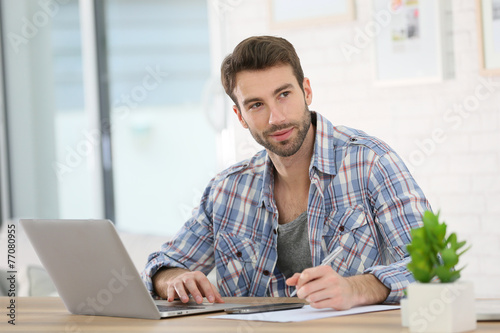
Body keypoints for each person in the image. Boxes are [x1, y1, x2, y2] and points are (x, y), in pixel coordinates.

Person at [141, 35, 431, 310]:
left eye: (283, 95)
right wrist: (171, 279)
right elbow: (164, 265)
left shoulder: (370, 162)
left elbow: (433, 264)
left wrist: (357, 288)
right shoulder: (225, 190)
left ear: (306, 90)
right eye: (256, 105)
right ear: (240, 117)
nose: (276, 118)